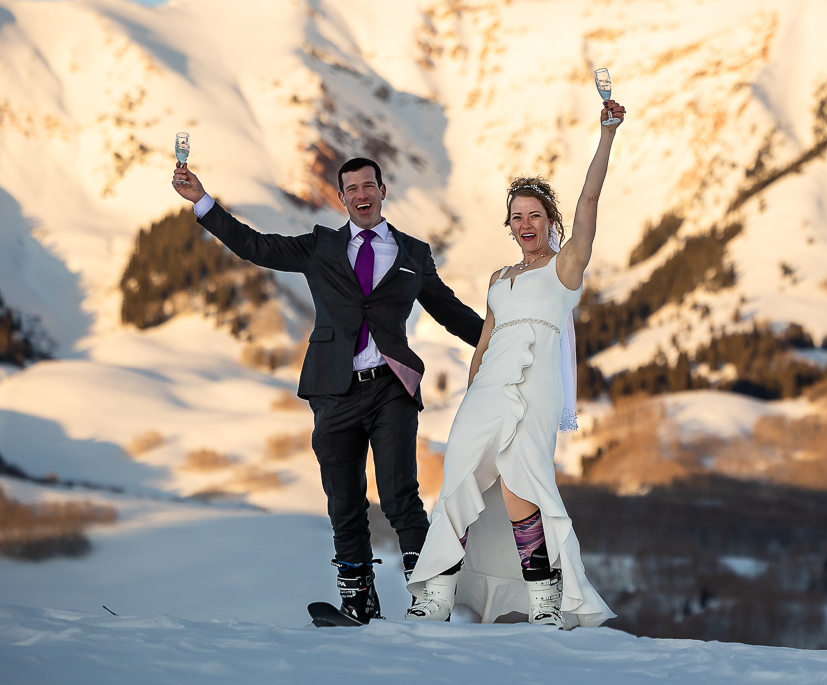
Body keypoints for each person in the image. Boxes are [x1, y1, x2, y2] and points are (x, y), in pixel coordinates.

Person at [170, 157, 484, 624]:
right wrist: (202, 201)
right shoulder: (320, 246)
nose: (361, 194)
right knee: (344, 501)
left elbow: (451, 312)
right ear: (342, 198)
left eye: (368, 185)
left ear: (382, 190)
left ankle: (429, 598)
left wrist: (501, 342)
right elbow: (256, 247)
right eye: (351, 188)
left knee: (401, 496)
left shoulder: (413, 253)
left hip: (391, 387)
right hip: (333, 390)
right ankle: (358, 601)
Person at [406, 99, 626, 629]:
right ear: (509, 226)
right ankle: (434, 595)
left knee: (522, 488)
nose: (526, 224)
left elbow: (590, 200)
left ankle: (546, 596)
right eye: (517, 218)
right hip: (487, 387)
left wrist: (607, 134)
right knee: (458, 474)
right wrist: (471, 385)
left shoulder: (565, 269)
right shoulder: (498, 279)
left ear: (551, 222)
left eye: (536, 216)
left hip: (535, 387)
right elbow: (483, 342)